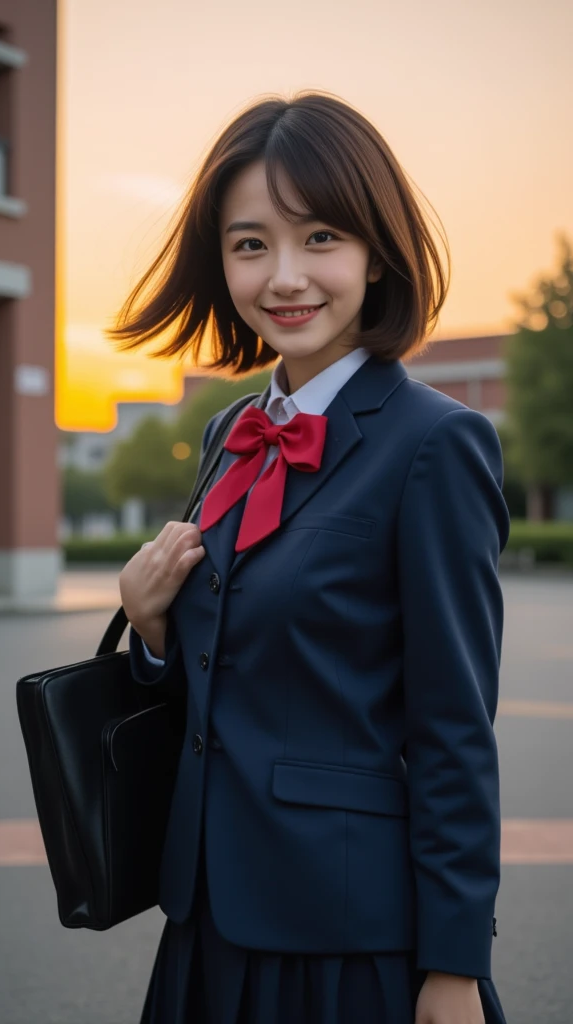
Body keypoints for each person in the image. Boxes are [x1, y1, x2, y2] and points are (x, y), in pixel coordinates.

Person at [110, 91, 510, 1024]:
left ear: (378, 254)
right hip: (206, 918)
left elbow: (455, 729)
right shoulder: (227, 434)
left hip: (348, 937)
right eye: (251, 244)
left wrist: (452, 964)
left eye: (320, 237)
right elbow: (219, 679)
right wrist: (151, 627)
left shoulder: (435, 444)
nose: (284, 276)